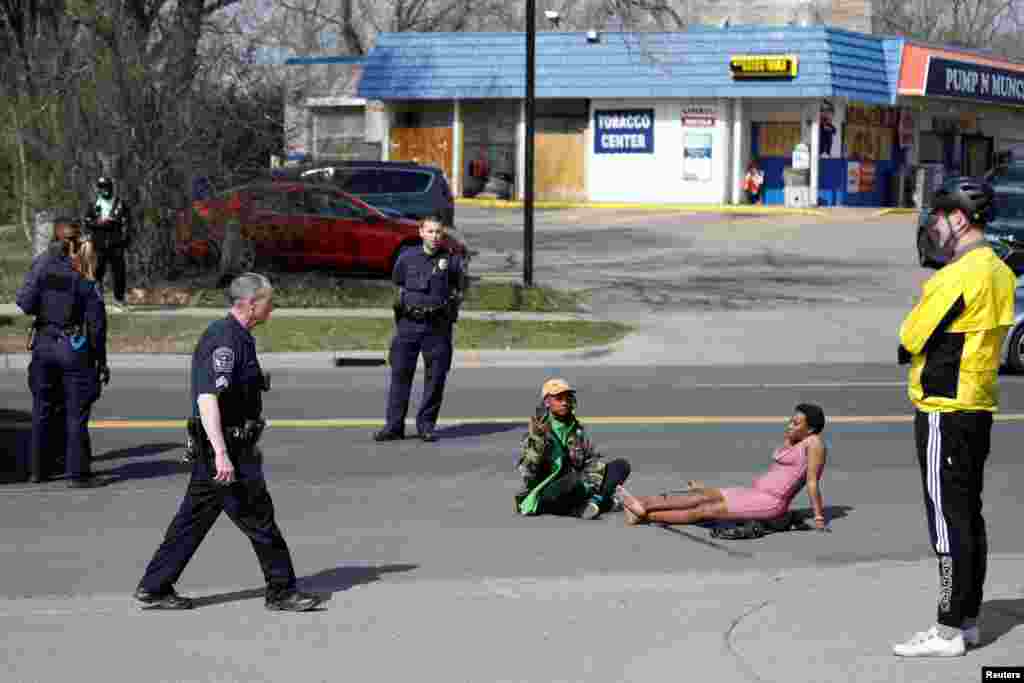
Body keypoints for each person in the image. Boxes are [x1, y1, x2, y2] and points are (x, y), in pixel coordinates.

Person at [134, 273, 324, 612]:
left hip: (225, 445)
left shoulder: (239, 336)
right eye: (269, 301)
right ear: (251, 305)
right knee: (259, 518)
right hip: (227, 448)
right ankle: (281, 591)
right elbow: (208, 398)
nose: (273, 307)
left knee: (192, 521)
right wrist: (222, 453)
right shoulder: (225, 339)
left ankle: (154, 586)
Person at [892, 178, 1015, 658]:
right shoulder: (999, 270)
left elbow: (910, 337)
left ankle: (946, 629)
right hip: (977, 405)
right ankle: (966, 622)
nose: (933, 226)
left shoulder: (958, 274)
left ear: (960, 219)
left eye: (939, 217)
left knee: (947, 522)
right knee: (968, 518)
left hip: (944, 409)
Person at [619, 404, 828, 530]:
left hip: (770, 502)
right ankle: (640, 503)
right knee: (699, 496)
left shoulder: (814, 443)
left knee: (704, 511)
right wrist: (791, 438)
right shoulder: (795, 441)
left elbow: (811, 482)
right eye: (790, 421)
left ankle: (643, 514)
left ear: (810, 429)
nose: (789, 426)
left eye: (796, 423)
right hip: (753, 492)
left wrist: (818, 516)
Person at [16, 219, 109, 487]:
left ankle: (39, 470)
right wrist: (100, 361)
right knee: (75, 412)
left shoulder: (42, 266)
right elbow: (97, 325)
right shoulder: (84, 273)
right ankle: (77, 474)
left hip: (44, 344)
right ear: (73, 242)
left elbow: (25, 302)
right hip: (73, 345)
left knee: (42, 409)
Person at [373, 218, 467, 443]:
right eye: (431, 231)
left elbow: (459, 288)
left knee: (435, 378)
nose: (435, 236)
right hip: (409, 325)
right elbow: (398, 284)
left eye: (439, 232)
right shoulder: (406, 258)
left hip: (437, 326)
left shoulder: (451, 260)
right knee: (400, 375)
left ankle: (426, 425)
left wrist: (450, 311)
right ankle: (394, 426)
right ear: (421, 233)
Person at [515, 378, 631, 520]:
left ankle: (594, 502)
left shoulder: (576, 429)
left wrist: (592, 479)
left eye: (568, 398)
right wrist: (538, 443)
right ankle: (595, 504)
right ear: (547, 402)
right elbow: (527, 474)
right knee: (571, 482)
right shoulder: (537, 430)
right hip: (548, 491)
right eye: (559, 398)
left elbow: (591, 459)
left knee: (621, 466)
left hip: (578, 484)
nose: (565, 402)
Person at [83, 176, 132, 312]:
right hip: (99, 242)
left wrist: (125, 240)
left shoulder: (120, 204)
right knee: (98, 271)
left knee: (119, 272)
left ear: (111, 188)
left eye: (106, 187)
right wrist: (98, 223)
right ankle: (97, 299)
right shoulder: (94, 204)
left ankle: (119, 300)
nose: (104, 190)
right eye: (101, 187)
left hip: (116, 243)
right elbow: (87, 221)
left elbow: (127, 223)